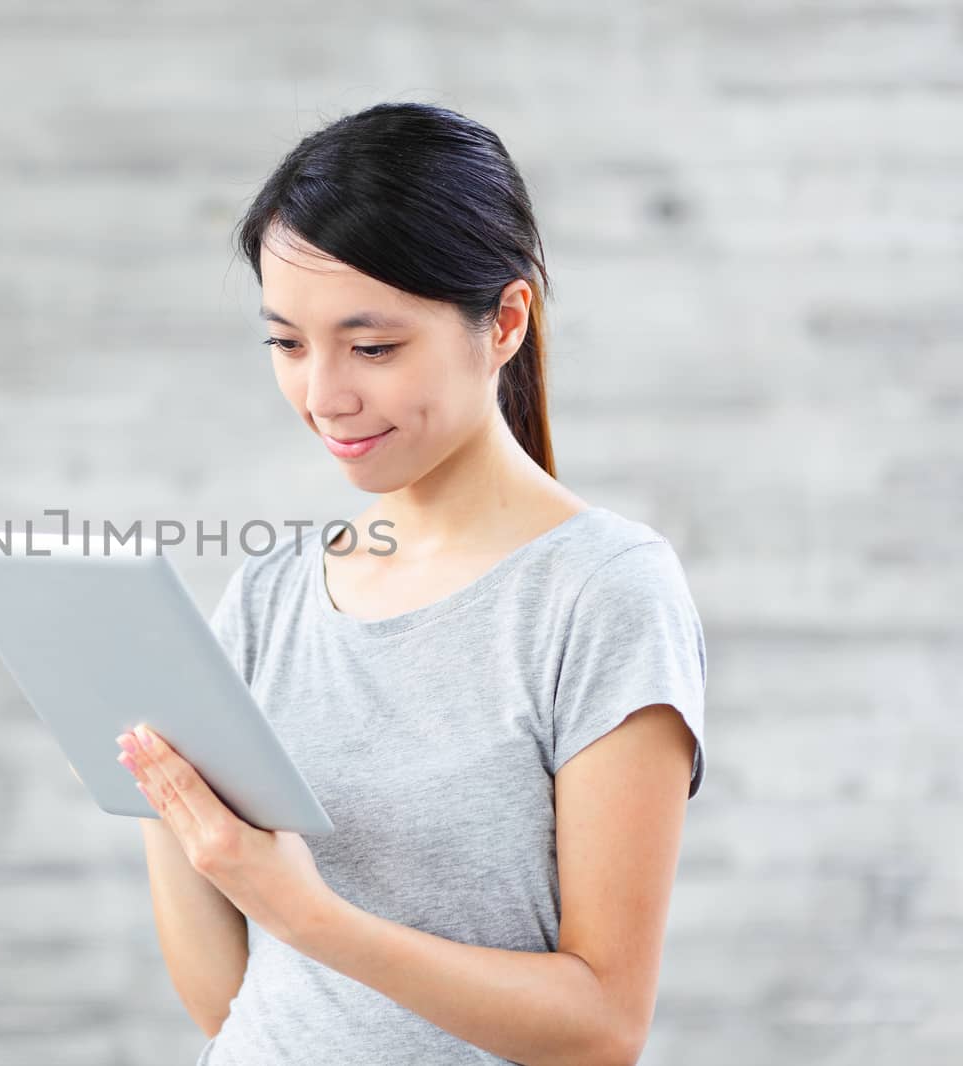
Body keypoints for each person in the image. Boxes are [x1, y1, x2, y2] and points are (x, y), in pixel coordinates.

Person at [115, 101, 707, 1065]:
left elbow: (603, 1027)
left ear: (505, 321)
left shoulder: (602, 595)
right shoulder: (270, 594)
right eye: (287, 344)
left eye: (373, 347)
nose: (324, 394)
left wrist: (312, 918)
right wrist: (155, 780)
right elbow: (231, 1002)